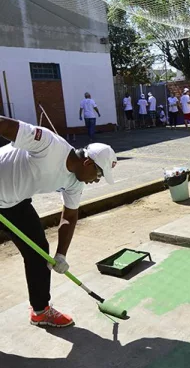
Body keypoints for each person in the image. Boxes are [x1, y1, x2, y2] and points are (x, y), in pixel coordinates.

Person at [0, 116, 117, 327]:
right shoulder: (48, 143)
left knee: (38, 252)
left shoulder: (75, 183)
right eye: (99, 174)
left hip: (14, 204)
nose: (97, 180)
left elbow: (70, 216)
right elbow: (6, 125)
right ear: (88, 162)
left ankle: (40, 311)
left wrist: (61, 254)